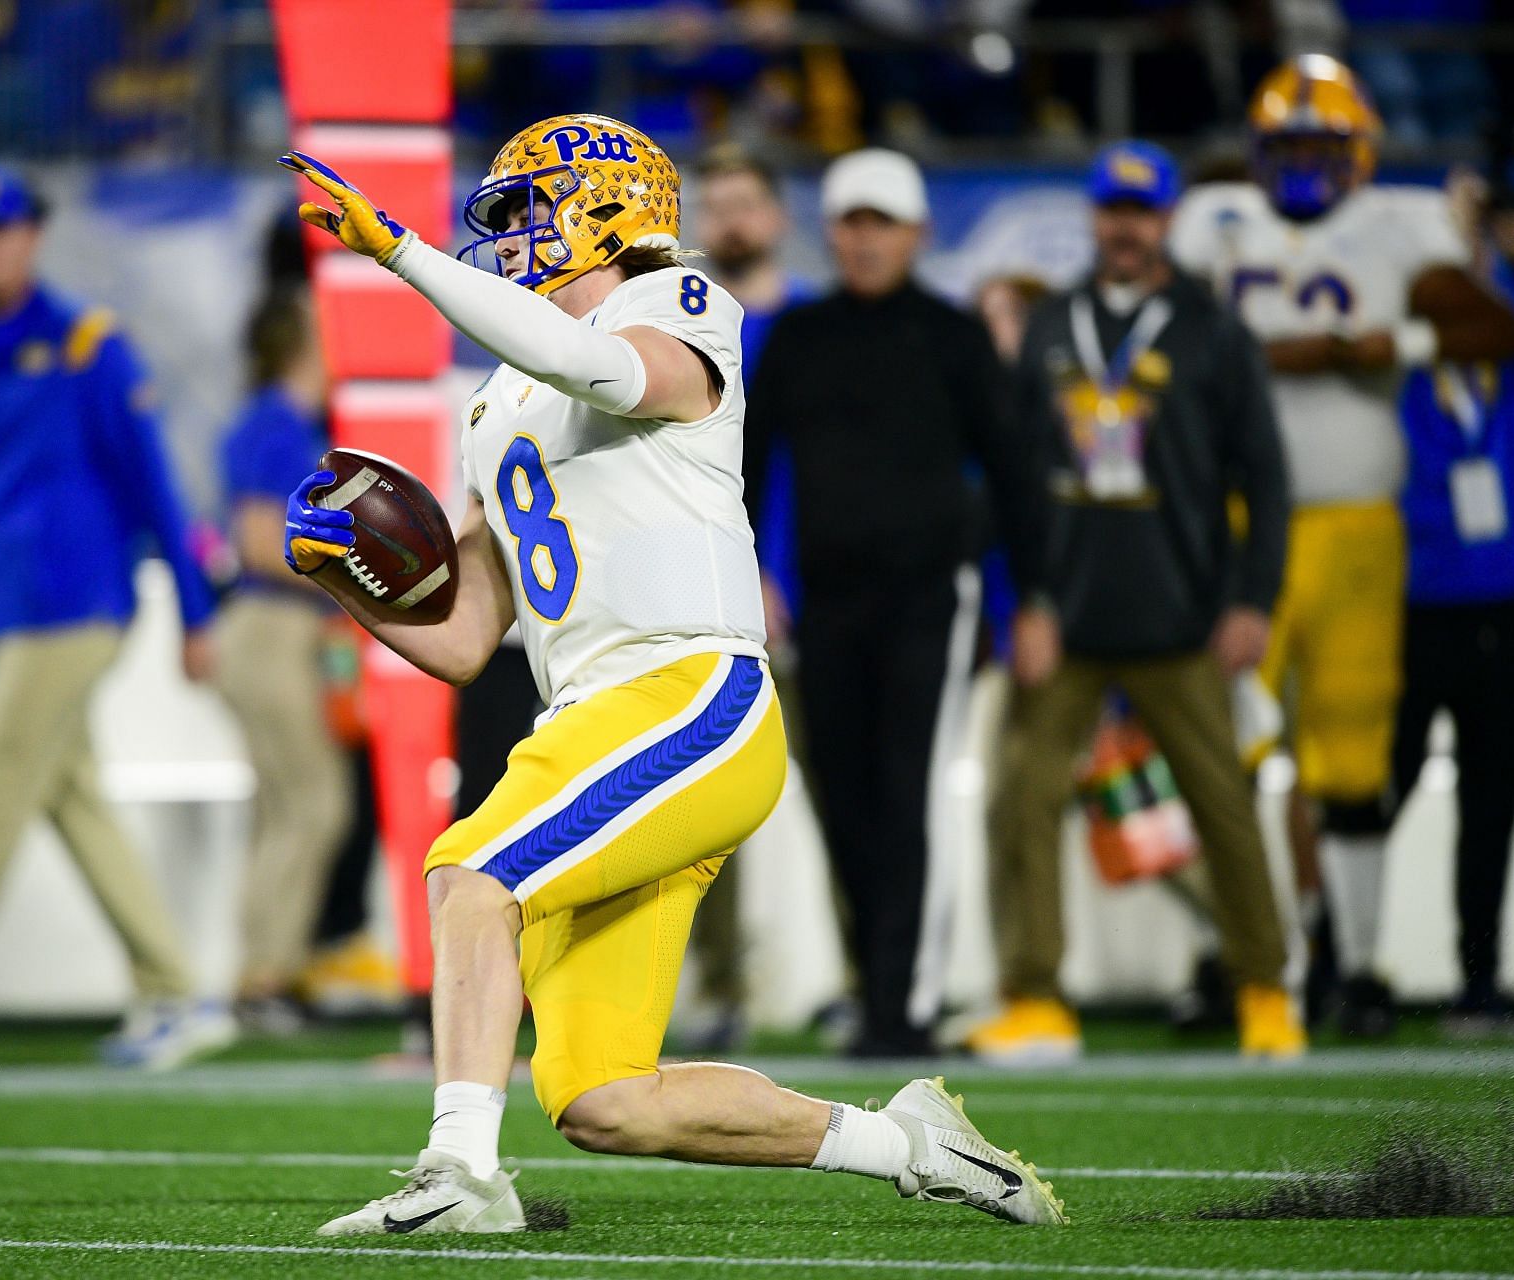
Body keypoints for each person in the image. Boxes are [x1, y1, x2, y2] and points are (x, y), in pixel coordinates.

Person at [277, 116, 1065, 1236]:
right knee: (601, 1098)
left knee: (469, 874)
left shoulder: (682, 305)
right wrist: (349, 578)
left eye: (525, 207)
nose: (506, 235)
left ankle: (460, 1172)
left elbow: (599, 365)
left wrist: (403, 252)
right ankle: (911, 1141)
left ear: (605, 204)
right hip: (597, 721)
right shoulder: (498, 401)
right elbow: (459, 637)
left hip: (688, 692)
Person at [1170, 55, 1514, 1036]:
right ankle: (1232, 960)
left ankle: (1356, 968)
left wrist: (1397, 343)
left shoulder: (1397, 229)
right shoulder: (1214, 223)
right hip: (1241, 526)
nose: (1302, 166)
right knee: (1219, 750)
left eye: (1320, 147)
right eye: (1286, 147)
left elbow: (1498, 330)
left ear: (1361, 152)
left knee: (1355, 757)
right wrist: (1291, 352)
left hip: (1358, 526)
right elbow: (1180, 330)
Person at [0, 165, 233, 1070]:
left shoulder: (88, 344)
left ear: (32, 235)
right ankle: (175, 992)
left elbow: (153, 480)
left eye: (0, 227)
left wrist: (195, 614)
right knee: (71, 797)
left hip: (80, 604)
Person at [972, 142, 1303, 1061]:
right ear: (1094, 216)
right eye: (1112, 210)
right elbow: (1014, 481)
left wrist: (1253, 600)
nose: (1125, 227)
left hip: (1182, 615)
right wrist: (1025, 603)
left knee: (1222, 802)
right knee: (1021, 797)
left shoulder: (1211, 327)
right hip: (1065, 617)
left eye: (1141, 211)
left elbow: (1266, 476)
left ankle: (1266, 989)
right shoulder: (1049, 324)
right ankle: (1036, 996)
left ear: (1166, 220)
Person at [743, 148, 1047, 1057]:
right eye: (851, 222)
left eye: (882, 223)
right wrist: (752, 569)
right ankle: (877, 991)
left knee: (907, 792)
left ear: (915, 233)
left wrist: (1031, 601)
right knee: (842, 794)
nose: (866, 239)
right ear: (830, 231)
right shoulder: (799, 336)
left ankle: (902, 1010)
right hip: (826, 602)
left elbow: (1015, 473)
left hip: (929, 598)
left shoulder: (953, 336)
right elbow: (745, 469)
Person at [1385, 175, 1514, 1032]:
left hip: (1501, 609)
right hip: (1411, 610)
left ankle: (1477, 981)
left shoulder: (1509, 356)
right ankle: (1346, 967)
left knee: (1493, 805)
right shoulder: (1400, 365)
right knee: (1374, 797)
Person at [681, 141, 817, 1048]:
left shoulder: (814, 327)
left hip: (813, 596)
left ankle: (865, 986)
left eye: (745, 202)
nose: (731, 219)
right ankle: (722, 984)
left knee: (843, 791)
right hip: (708, 595)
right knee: (704, 803)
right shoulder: (682, 332)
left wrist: (793, 578)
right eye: (716, 203)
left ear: (775, 218)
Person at [211, 288, 353, 1033]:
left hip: (270, 629)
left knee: (282, 808)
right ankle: (267, 976)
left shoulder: (283, 423)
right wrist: (356, 578)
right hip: (272, 627)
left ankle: (263, 971)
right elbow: (263, 544)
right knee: (313, 804)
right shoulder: (276, 425)